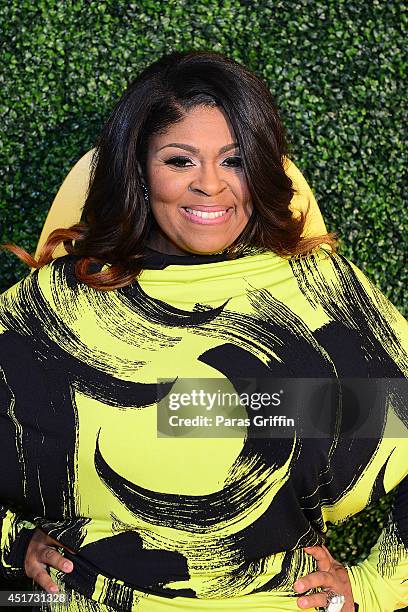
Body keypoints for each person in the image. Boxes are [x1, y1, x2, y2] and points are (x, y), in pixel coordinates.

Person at [0, 50, 406, 612]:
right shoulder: (59, 305)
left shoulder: (321, 295)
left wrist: (376, 586)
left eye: (235, 160)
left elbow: (395, 415)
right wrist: (11, 544)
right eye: (180, 161)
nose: (210, 187)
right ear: (138, 169)